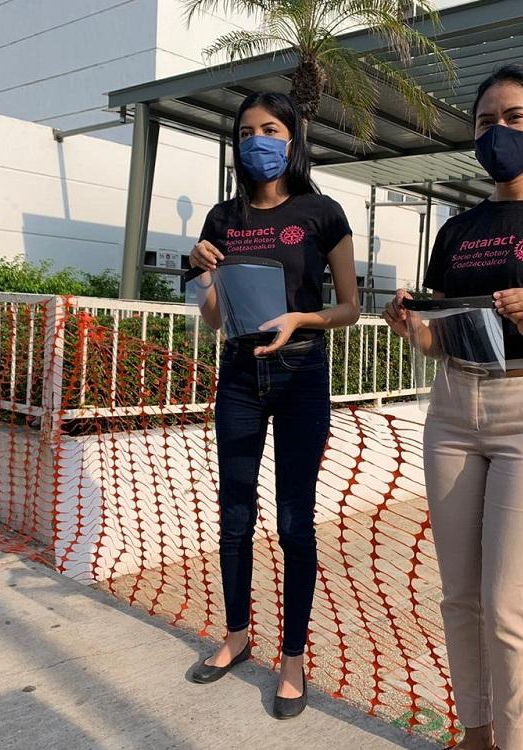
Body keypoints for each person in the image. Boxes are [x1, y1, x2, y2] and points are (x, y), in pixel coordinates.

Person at [384, 64, 523, 749]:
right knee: (459, 595)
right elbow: (441, 339)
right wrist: (413, 328)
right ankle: (476, 732)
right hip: (454, 407)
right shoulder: (457, 230)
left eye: (514, 118)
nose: (498, 132)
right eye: (486, 121)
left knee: (508, 604)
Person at [187, 91, 360, 720]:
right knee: (234, 515)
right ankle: (236, 636)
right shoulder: (222, 218)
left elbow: (350, 307)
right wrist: (201, 272)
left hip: (300, 372)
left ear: (292, 140)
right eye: (245, 132)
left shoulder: (323, 212)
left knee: (293, 522)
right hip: (238, 373)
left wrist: (300, 318)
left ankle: (291, 659)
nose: (256, 141)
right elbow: (215, 318)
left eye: (270, 129)